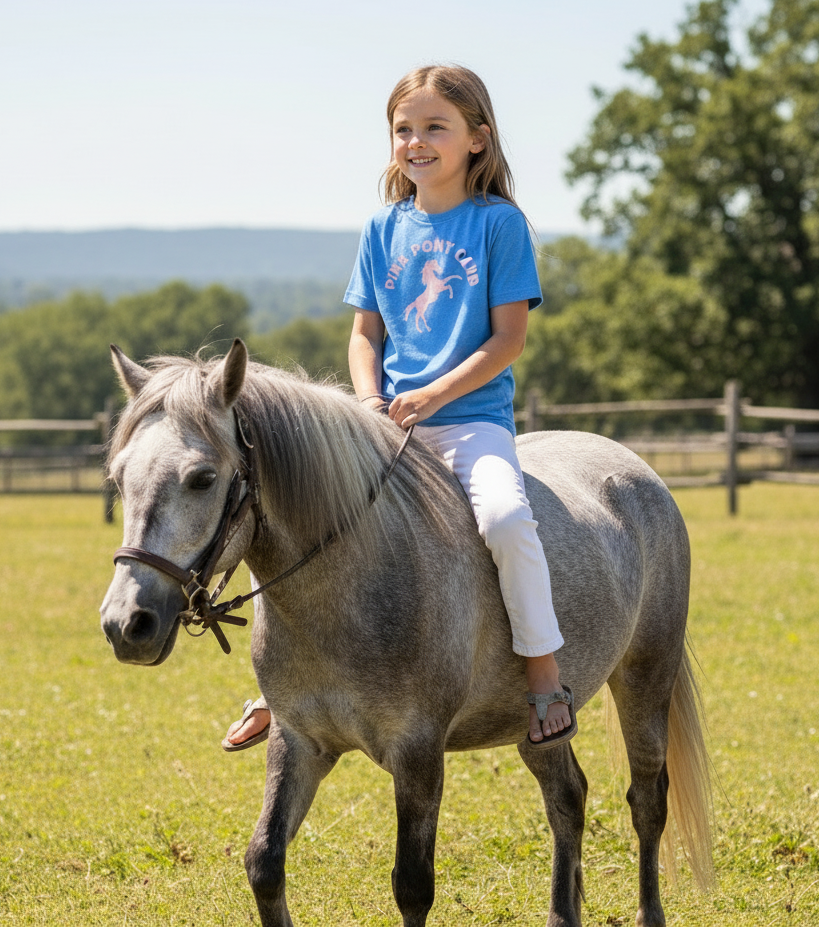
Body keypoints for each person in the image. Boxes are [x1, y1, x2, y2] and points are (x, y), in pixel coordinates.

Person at [223, 64, 574, 752]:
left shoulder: (497, 226)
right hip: (384, 428)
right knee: (295, 525)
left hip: (471, 423)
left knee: (506, 521)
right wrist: (367, 404)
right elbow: (365, 335)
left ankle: (542, 672)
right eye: (403, 129)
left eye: (434, 127)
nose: (416, 141)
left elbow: (508, 340)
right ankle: (280, 687)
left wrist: (436, 395)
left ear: (477, 138)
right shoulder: (383, 227)